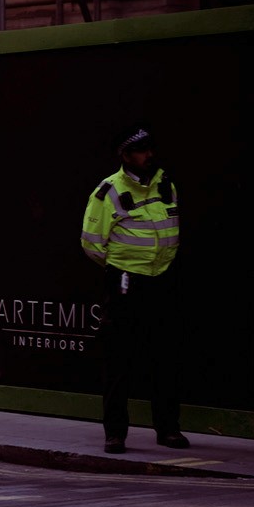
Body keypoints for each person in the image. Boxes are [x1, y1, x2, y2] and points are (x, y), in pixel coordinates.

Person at [81, 126, 185, 453]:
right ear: (125, 156)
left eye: (150, 149)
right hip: (127, 282)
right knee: (118, 360)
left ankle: (168, 429)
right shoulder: (107, 192)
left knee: (165, 358)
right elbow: (92, 244)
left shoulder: (166, 184)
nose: (148, 155)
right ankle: (115, 433)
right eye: (140, 151)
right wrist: (124, 268)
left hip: (163, 279)